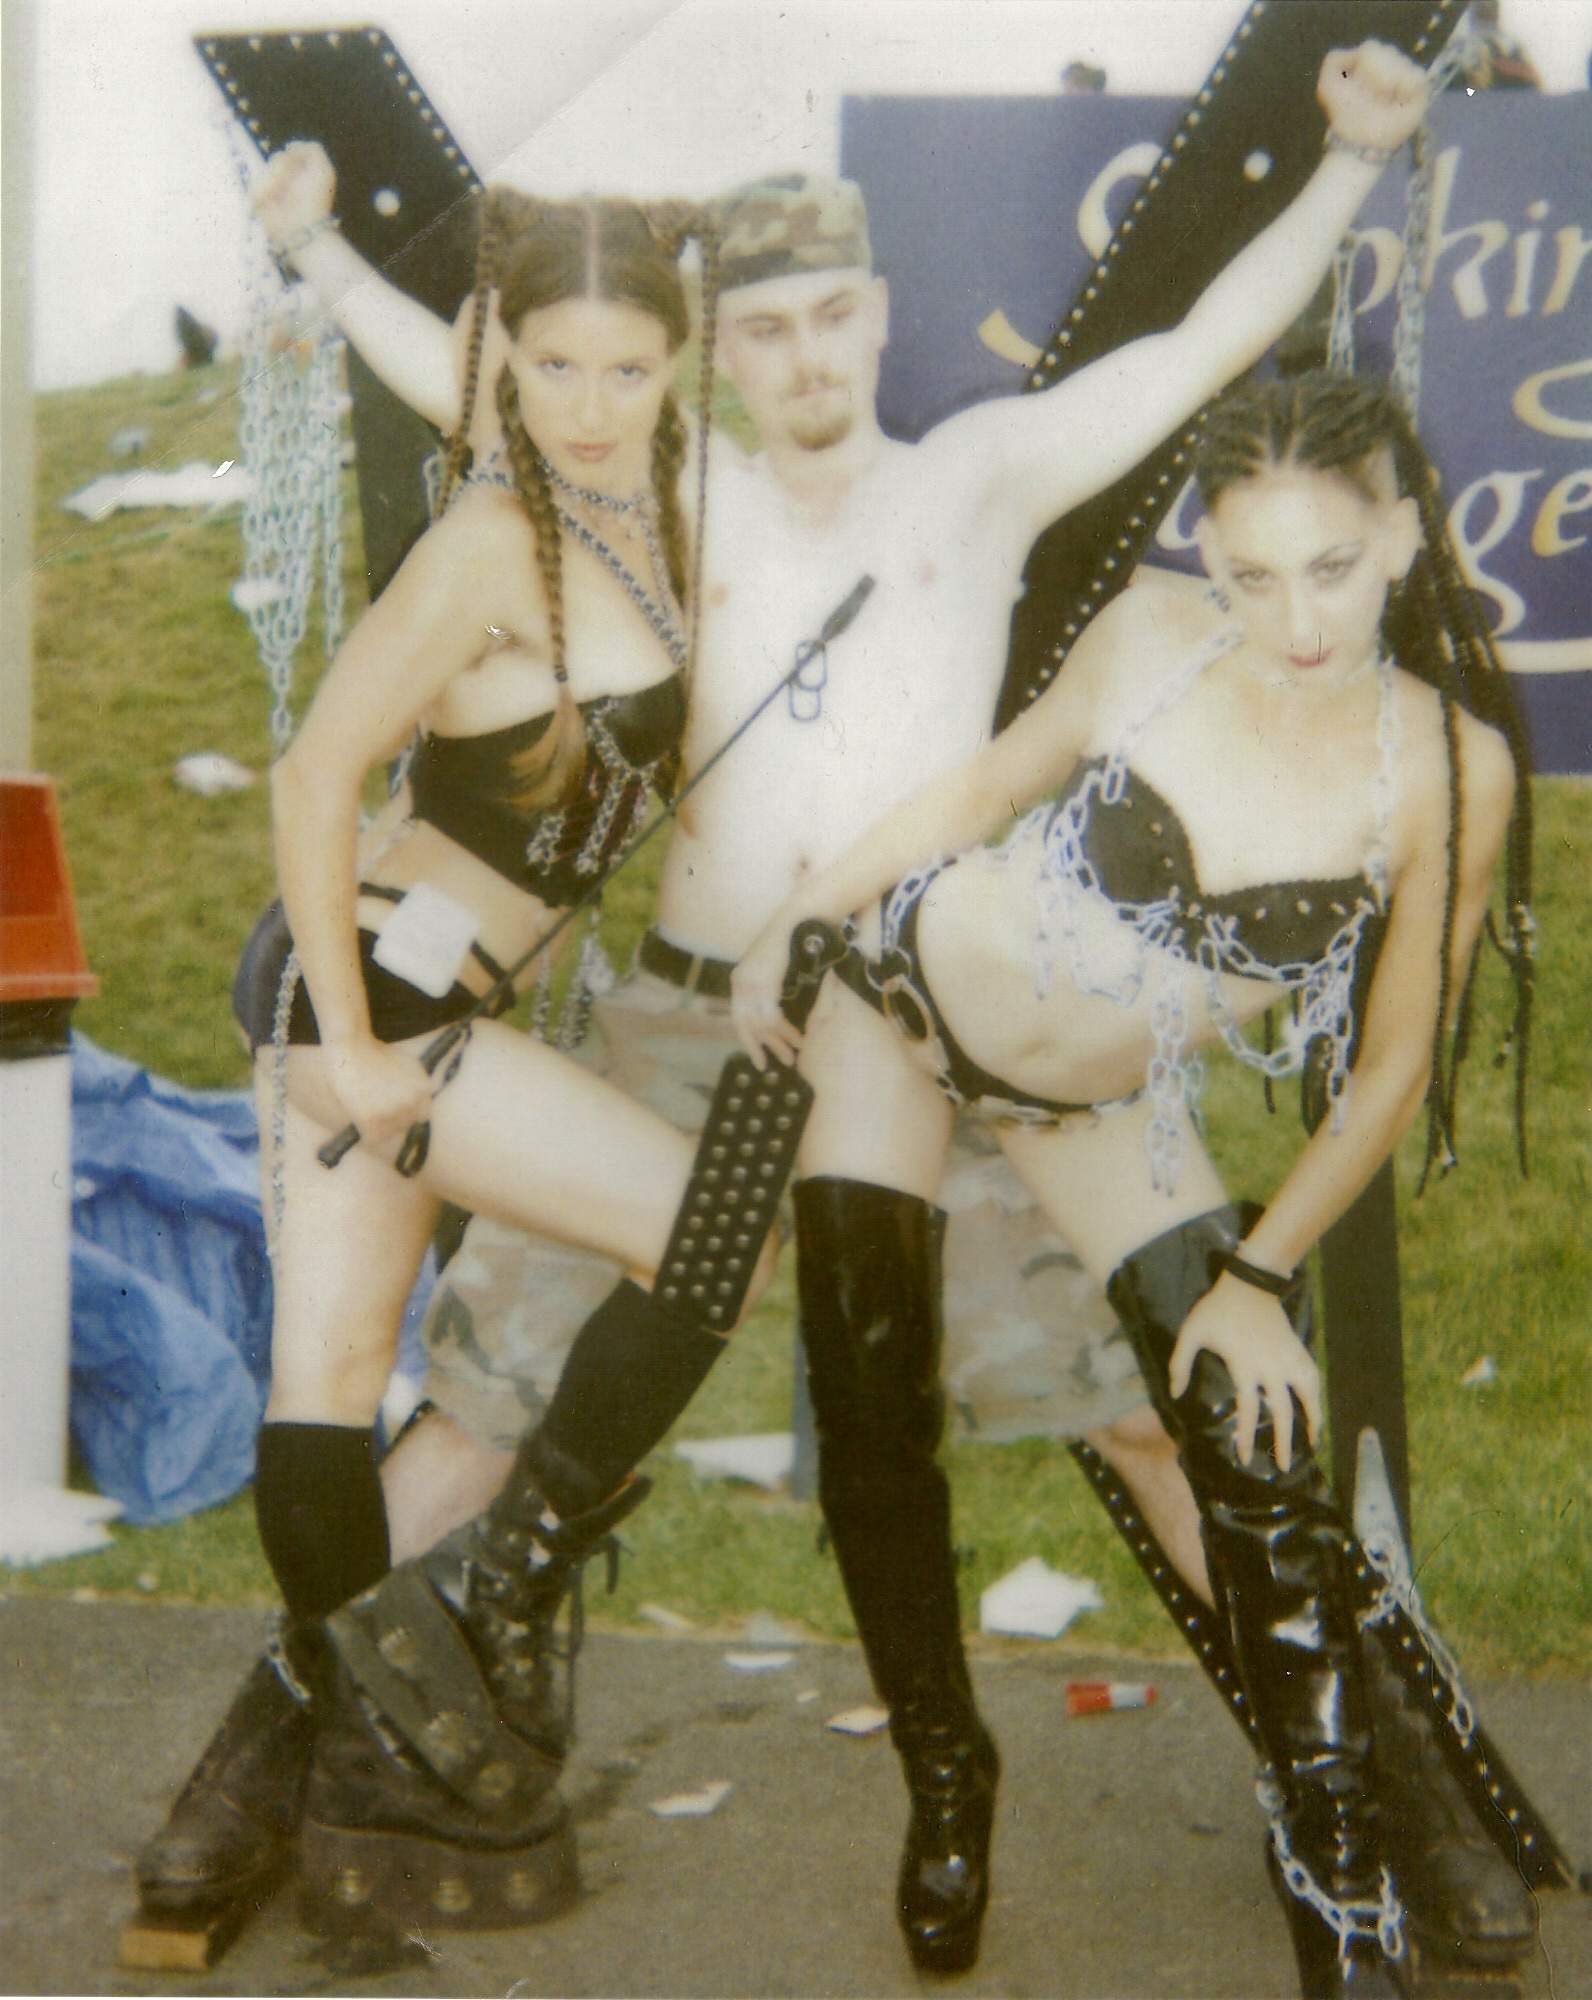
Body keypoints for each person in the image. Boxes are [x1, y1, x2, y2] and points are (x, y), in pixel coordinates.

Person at [147, 42, 1527, 1979]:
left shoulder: (981, 476)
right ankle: (270, 1758)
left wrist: (1353, 160)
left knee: (1160, 1414)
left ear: (878, 317)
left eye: (829, 318)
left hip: (930, 1021)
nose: (801, 358)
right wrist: (316, 261)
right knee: (483, 1408)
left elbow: (1209, 340)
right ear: (719, 351)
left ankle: (1382, 1789)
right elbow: (461, 373)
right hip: (688, 1020)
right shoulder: (668, 497)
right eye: (765, 327)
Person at [729, 368, 1533, 1995]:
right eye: (1251, 573)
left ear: (1400, 534)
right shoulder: (1154, 638)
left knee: (1254, 1434)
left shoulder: (1449, 769)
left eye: (1330, 568)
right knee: (871, 1390)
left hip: (1093, 1105)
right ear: (1207, 556)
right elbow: (982, 793)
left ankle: (1340, 1895)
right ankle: (946, 1776)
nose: (1294, 622)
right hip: (906, 997)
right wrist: (798, 915)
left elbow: (1391, 1066)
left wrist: (1258, 1279)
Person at [134, 187, 790, 1928]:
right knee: (712, 1236)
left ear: (675, 366)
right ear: (514, 367)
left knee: (336, 1380)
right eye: (554, 367)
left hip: (404, 1000)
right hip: (369, 1001)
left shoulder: (641, 505)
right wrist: (355, 1051)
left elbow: (457, 366)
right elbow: (311, 776)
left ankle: (315, 1768)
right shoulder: (493, 537)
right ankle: (498, 1595)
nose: (589, 403)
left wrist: (327, 254)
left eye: (627, 368)